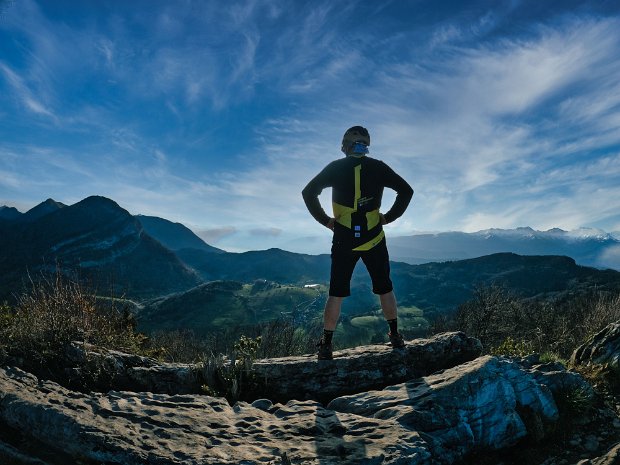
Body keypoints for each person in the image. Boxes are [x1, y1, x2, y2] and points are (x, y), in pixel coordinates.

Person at [302, 125, 414, 360]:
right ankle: (394, 335)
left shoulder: (335, 168)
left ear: (345, 146)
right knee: (384, 286)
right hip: (374, 237)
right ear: (366, 145)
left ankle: (326, 345)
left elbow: (308, 192)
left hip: (343, 239)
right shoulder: (379, 167)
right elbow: (406, 191)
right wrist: (388, 217)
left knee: (336, 292)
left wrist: (326, 221)